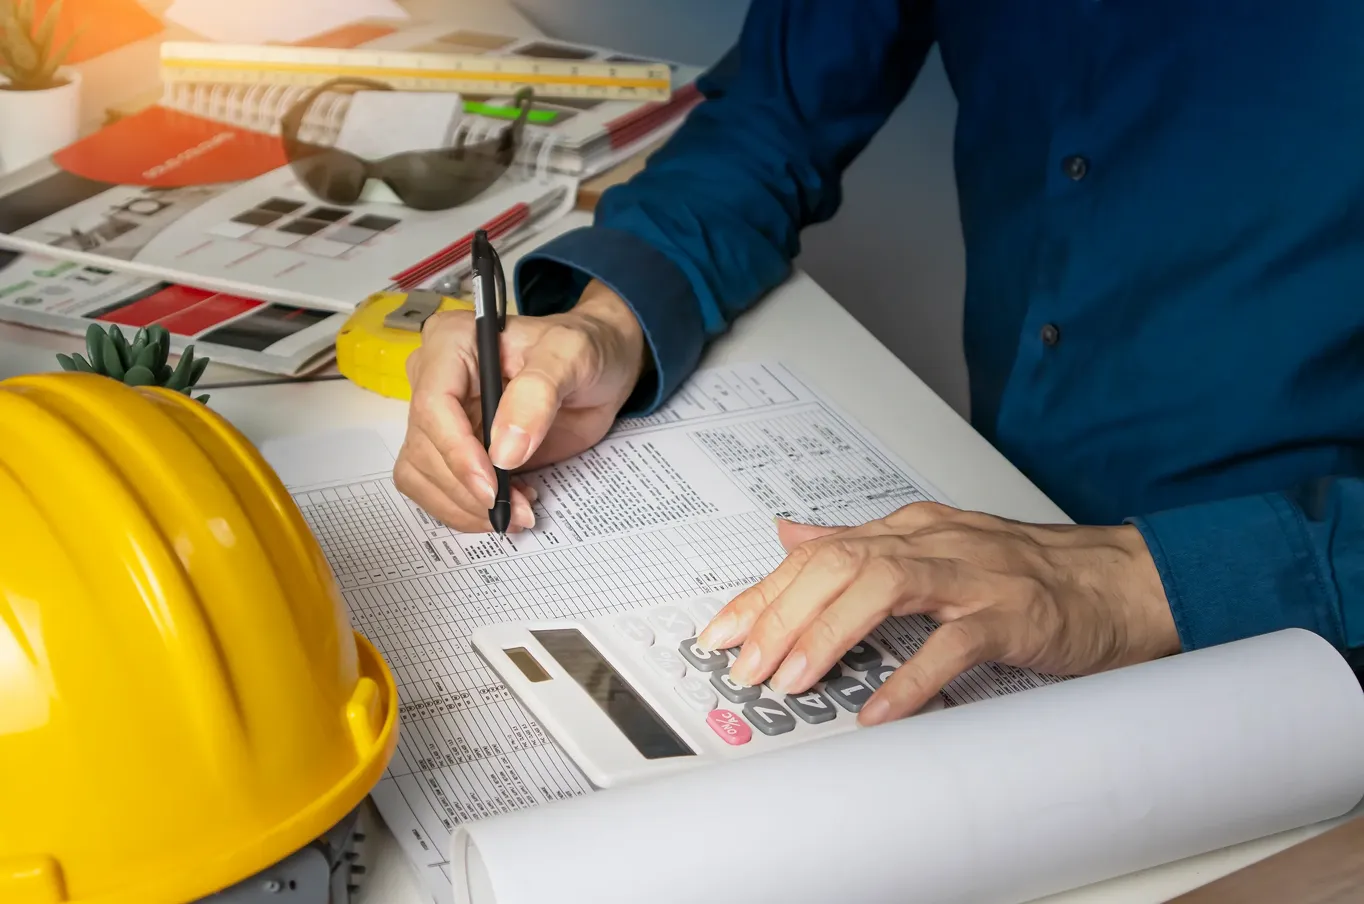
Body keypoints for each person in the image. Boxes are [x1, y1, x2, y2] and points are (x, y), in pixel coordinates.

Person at [395, 1, 1364, 724]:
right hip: (993, 520)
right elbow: (774, 114)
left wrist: (1133, 582)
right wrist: (609, 321)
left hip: (1312, 637)